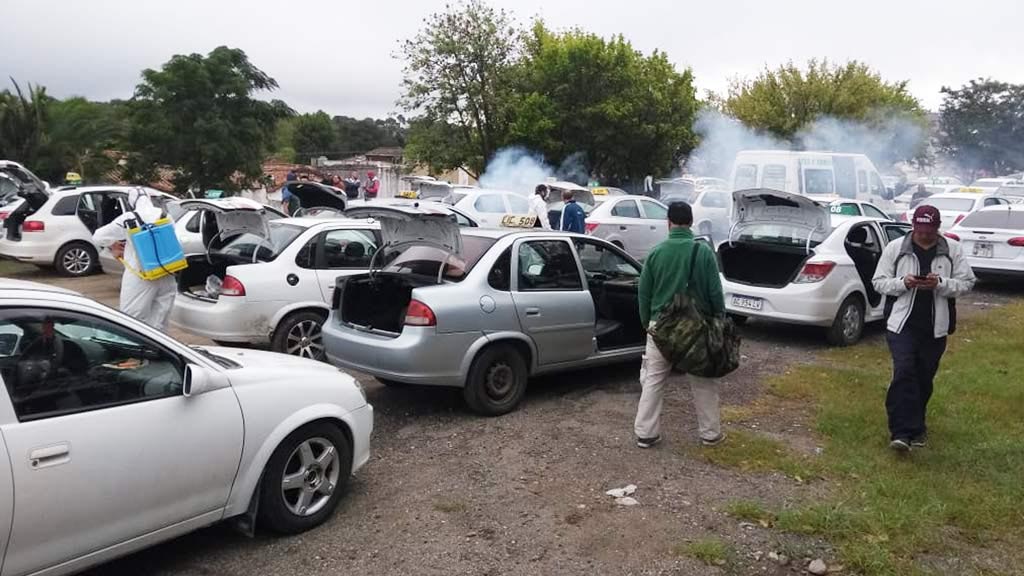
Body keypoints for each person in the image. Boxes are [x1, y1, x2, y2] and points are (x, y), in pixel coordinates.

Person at [872, 205, 975, 452]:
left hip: (936, 327)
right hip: (901, 324)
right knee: (904, 372)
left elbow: (967, 283)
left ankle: (917, 427)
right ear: (913, 225)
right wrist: (903, 283)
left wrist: (940, 284)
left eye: (930, 229)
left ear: (938, 228)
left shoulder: (952, 250)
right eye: (920, 228)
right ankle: (900, 433)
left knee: (923, 378)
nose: (924, 234)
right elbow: (878, 282)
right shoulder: (896, 249)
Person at [634, 201, 726, 449]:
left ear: (668, 222)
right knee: (703, 381)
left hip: (659, 326)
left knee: (653, 380)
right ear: (691, 222)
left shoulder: (656, 252)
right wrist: (719, 318)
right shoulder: (704, 252)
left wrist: (647, 322)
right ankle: (710, 434)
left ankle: (646, 433)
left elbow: (644, 293)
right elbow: (715, 292)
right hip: (695, 327)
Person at [92, 188, 179, 331]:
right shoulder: (166, 216)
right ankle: (159, 349)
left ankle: (139, 351)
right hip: (166, 272)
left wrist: (113, 244)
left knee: (132, 320)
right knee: (160, 320)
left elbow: (98, 236)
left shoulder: (128, 218)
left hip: (140, 275)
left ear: (131, 202)